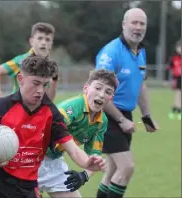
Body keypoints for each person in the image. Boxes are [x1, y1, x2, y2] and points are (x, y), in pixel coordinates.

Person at [0, 56, 105, 198]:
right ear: (20, 79)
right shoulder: (2, 106)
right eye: (35, 83)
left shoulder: (51, 113)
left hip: (27, 189)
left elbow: (72, 148)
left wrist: (87, 162)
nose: (40, 90)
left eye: (45, 84)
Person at [95, 8, 159, 198]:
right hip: (106, 115)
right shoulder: (111, 52)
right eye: (134, 22)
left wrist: (146, 116)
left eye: (142, 24)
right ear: (124, 25)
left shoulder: (140, 52)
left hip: (125, 115)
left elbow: (139, 85)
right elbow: (99, 94)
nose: (138, 27)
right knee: (126, 168)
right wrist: (121, 121)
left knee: (113, 170)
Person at [38, 69, 118, 198]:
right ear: (86, 88)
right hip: (31, 158)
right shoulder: (72, 108)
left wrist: (83, 176)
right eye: (98, 88)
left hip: (54, 161)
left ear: (111, 98)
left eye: (108, 92)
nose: (102, 94)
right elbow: (44, 131)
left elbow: (94, 159)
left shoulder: (101, 122)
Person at [0, 22, 58, 101]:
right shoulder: (22, 61)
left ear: (51, 44)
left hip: (36, 111)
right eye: (40, 38)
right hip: (18, 109)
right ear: (31, 41)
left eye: (47, 39)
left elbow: (49, 99)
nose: (44, 43)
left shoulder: (50, 66)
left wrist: (54, 81)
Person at [166, 40, 181, 120]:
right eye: (180, 48)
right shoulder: (174, 58)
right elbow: (168, 68)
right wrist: (166, 80)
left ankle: (175, 111)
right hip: (177, 78)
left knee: (179, 96)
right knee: (177, 95)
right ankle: (177, 112)